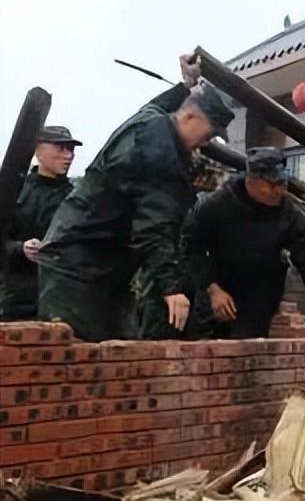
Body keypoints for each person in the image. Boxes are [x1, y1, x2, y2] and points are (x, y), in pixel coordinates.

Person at [36, 55, 233, 341]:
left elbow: (157, 106)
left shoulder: (152, 122)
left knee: (117, 350)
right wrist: (171, 289)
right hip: (76, 265)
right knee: (75, 352)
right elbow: (153, 227)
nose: (207, 142)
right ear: (190, 117)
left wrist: (185, 86)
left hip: (101, 263)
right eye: (209, 132)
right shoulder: (159, 150)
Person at [181, 147, 305, 339]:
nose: (279, 191)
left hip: (258, 302)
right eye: (272, 184)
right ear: (251, 179)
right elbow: (191, 248)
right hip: (216, 295)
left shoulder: (288, 214)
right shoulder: (217, 205)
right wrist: (213, 289)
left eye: (282, 183)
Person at [0, 126, 80, 320]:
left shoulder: (76, 198)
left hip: (60, 299)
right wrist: (21, 248)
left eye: (71, 149)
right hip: (12, 298)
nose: (68, 155)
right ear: (37, 151)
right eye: (60, 148)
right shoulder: (12, 191)